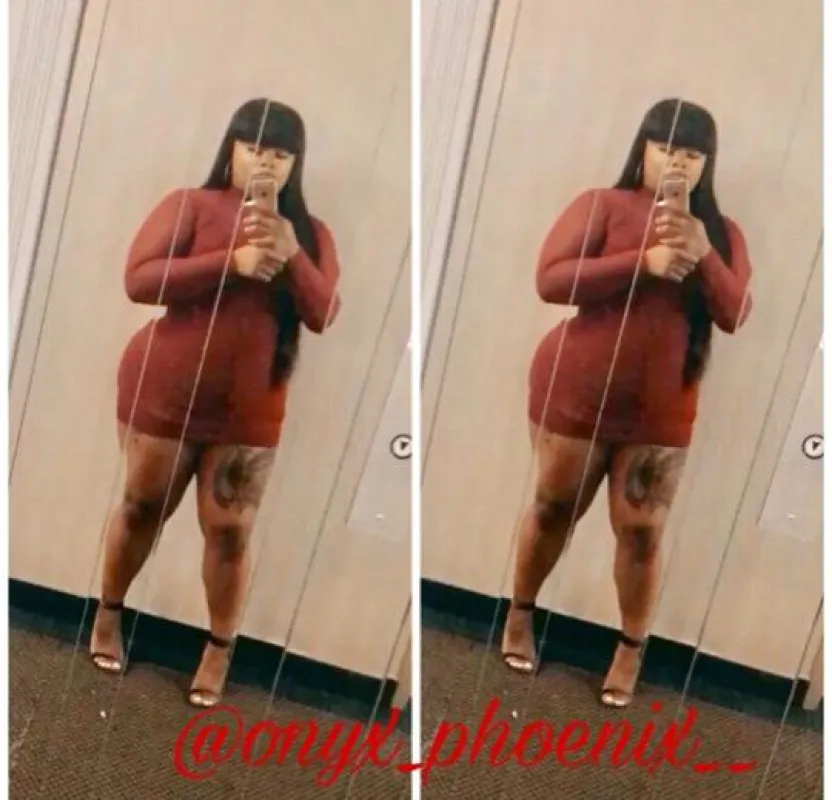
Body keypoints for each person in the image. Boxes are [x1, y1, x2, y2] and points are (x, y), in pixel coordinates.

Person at [88, 98, 341, 708]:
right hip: (164, 390)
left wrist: (290, 253)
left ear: (296, 163)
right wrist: (233, 262)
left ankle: (220, 648)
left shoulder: (310, 233)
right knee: (141, 506)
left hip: (250, 409)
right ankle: (107, 614)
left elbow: (323, 313)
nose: (266, 162)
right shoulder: (191, 205)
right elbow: (139, 280)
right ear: (230, 149)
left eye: (281, 154)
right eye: (254, 148)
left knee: (230, 532)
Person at [501, 98, 752, 708]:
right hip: (575, 388)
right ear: (642, 149)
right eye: (665, 148)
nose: (678, 162)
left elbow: (735, 314)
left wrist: (702, 252)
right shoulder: (602, 205)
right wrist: (644, 262)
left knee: (641, 532)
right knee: (553, 507)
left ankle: (631, 648)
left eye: (692, 153)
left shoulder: (721, 233)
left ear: (707, 163)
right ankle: (519, 614)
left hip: (662, 408)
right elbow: (550, 280)